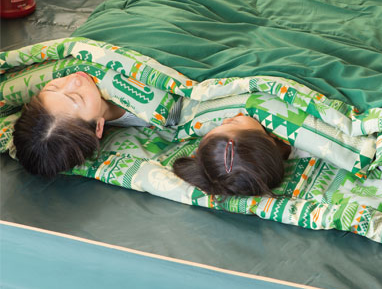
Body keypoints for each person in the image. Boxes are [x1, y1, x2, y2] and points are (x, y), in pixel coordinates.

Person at [13, 72, 292, 196]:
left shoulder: (78, 72)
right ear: (98, 127)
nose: (73, 80)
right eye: (77, 97)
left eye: (53, 86)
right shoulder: (160, 115)